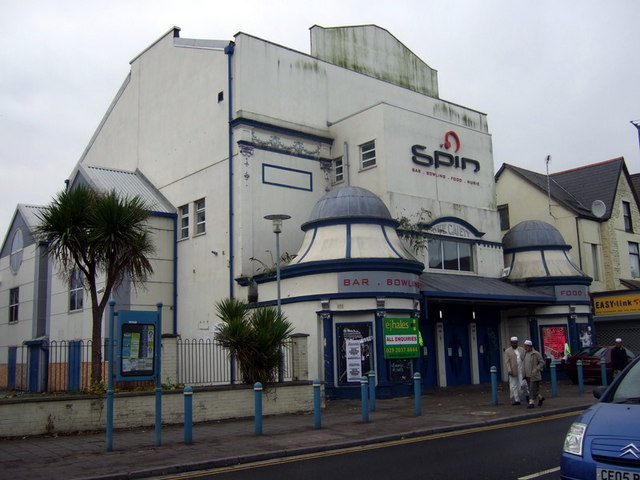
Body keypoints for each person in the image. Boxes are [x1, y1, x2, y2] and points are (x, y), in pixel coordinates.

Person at [523, 340, 545, 409]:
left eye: (526, 346)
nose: (525, 347)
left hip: (534, 375)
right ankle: (540, 398)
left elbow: (542, 362)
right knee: (532, 389)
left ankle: (531, 402)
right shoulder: (525, 353)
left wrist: (536, 369)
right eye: (524, 346)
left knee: (532, 389)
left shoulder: (536, 353)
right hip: (527, 374)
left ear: (530, 346)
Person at [504, 336, 526, 405]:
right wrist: (509, 370)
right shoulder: (508, 351)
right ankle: (517, 400)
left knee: (523, 384)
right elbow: (507, 362)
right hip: (513, 370)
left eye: (515, 343)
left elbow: (524, 359)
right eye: (513, 343)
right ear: (511, 343)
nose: (514, 344)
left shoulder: (521, 349)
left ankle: (526, 395)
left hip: (521, 370)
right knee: (514, 385)